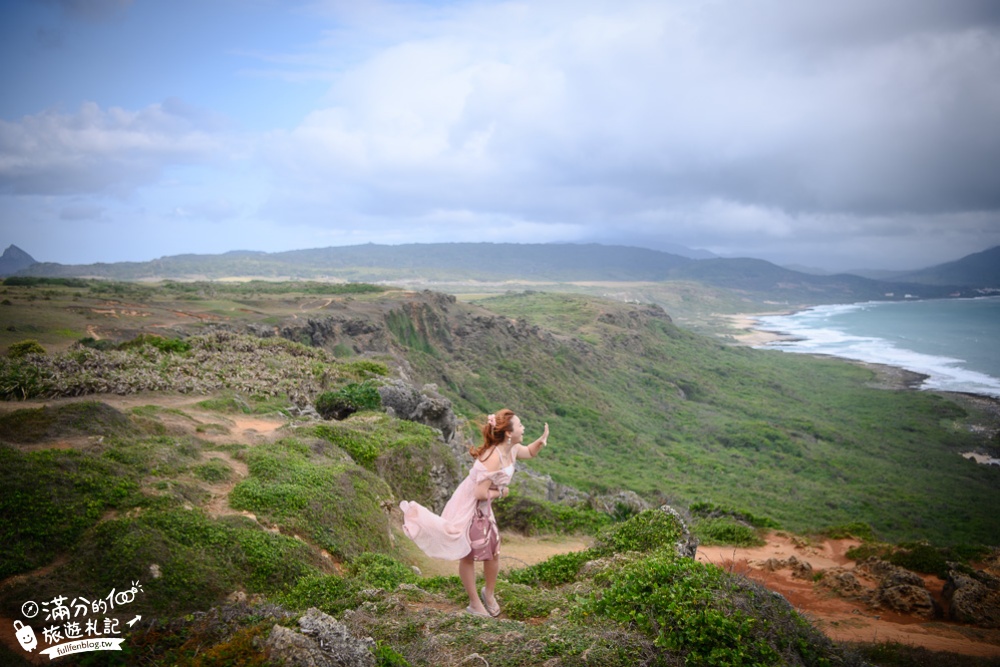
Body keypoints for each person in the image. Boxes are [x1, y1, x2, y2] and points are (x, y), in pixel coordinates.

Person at [399, 408, 549, 617]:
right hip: (469, 505)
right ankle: (474, 603)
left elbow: (529, 452)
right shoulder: (492, 457)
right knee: (468, 553)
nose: (523, 428)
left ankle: (489, 592)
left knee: (493, 550)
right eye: (520, 425)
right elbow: (479, 492)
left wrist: (540, 442)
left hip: (484, 508)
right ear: (508, 433)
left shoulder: (512, 449)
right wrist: (502, 492)